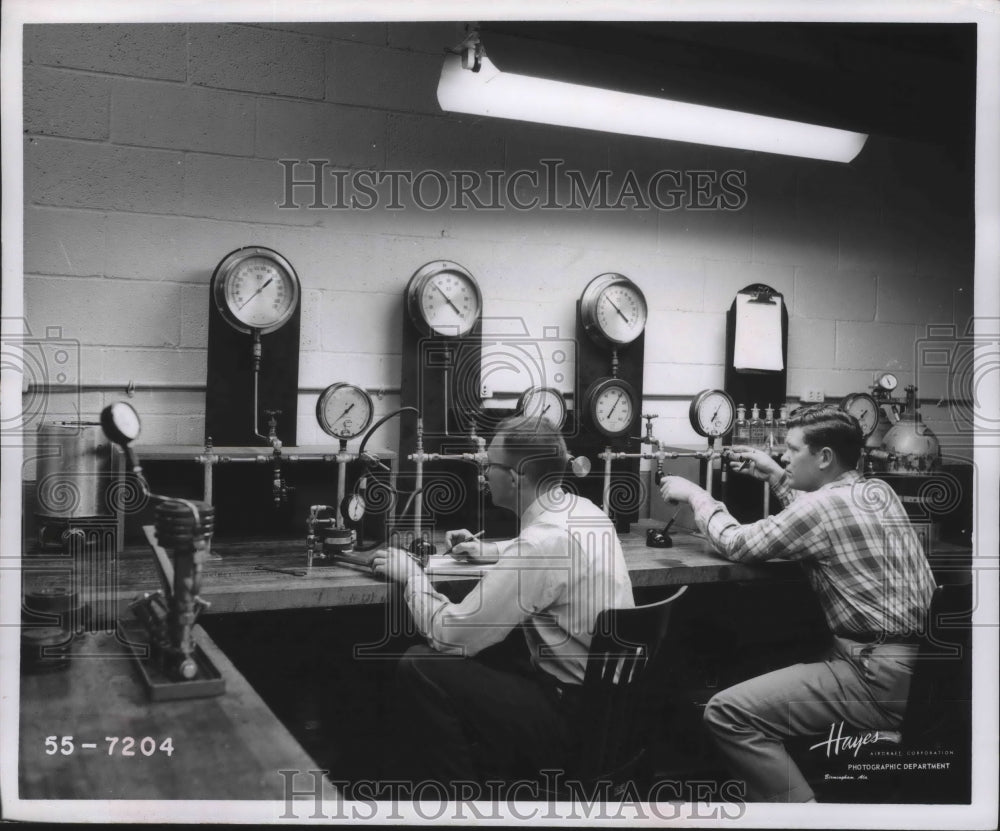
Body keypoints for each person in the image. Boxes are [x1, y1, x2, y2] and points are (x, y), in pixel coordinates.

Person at [659, 404, 936, 803]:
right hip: (918, 671)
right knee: (768, 659)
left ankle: (802, 817)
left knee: (726, 712)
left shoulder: (819, 508)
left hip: (872, 677)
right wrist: (779, 478)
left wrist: (696, 496)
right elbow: (820, 524)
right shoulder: (877, 492)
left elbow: (737, 543)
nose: (782, 456)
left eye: (791, 450)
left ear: (824, 457)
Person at [372, 414, 634, 791]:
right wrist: (491, 550)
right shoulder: (586, 512)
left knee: (419, 665)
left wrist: (412, 575)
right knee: (496, 653)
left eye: (489, 465)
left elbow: (454, 636)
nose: (483, 474)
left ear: (515, 478)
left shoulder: (541, 545)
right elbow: (550, 552)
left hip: (571, 722)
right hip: (612, 712)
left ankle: (460, 811)